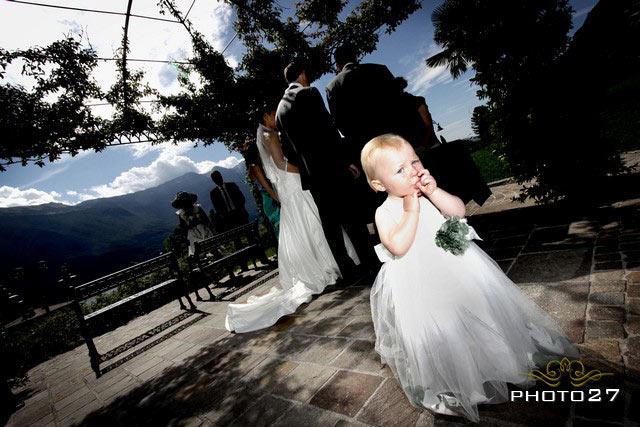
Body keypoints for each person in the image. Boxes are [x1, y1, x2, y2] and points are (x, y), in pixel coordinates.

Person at [360, 134, 579, 422]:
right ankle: (460, 377)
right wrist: (411, 208)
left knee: (480, 311)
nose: (412, 170)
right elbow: (398, 245)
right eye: (400, 170)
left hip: (457, 269)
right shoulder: (384, 212)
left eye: (414, 161)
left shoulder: (427, 194)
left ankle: (500, 360)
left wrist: (435, 192)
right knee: (444, 329)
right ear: (378, 184)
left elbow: (458, 211)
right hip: (422, 284)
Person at [225, 104, 359, 333]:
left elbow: (273, 169)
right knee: (312, 220)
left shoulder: (263, 136)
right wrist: (305, 171)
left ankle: (321, 263)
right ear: (266, 116)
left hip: (285, 188)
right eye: (273, 114)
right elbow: (281, 164)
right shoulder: (269, 134)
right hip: (293, 183)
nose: (275, 118)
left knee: (304, 223)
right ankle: (327, 264)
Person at [327, 44, 490, 207]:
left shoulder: (332, 86)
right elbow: (401, 103)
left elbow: (341, 124)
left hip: (370, 151)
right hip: (398, 141)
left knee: (390, 198)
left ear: (338, 65)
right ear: (355, 57)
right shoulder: (379, 70)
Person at [276, 59, 375, 275]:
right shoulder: (309, 93)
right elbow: (327, 129)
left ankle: (347, 271)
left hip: (312, 176)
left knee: (330, 224)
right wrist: (346, 160)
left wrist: (306, 165)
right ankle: (370, 264)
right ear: (302, 74)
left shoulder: (279, 110)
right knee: (352, 217)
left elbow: (288, 151)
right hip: (332, 167)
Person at [242, 136, 280, 242]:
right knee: (282, 226)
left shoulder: (262, 163)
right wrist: (281, 201)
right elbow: (268, 189)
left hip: (274, 195)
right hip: (271, 199)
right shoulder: (255, 167)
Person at [171, 191, 215, 256]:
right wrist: (191, 225)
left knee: (213, 249)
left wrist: (198, 222)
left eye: (187, 201)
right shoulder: (181, 214)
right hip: (193, 235)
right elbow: (183, 228)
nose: (186, 204)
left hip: (205, 232)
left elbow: (206, 220)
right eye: (183, 202)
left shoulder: (197, 208)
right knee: (199, 254)